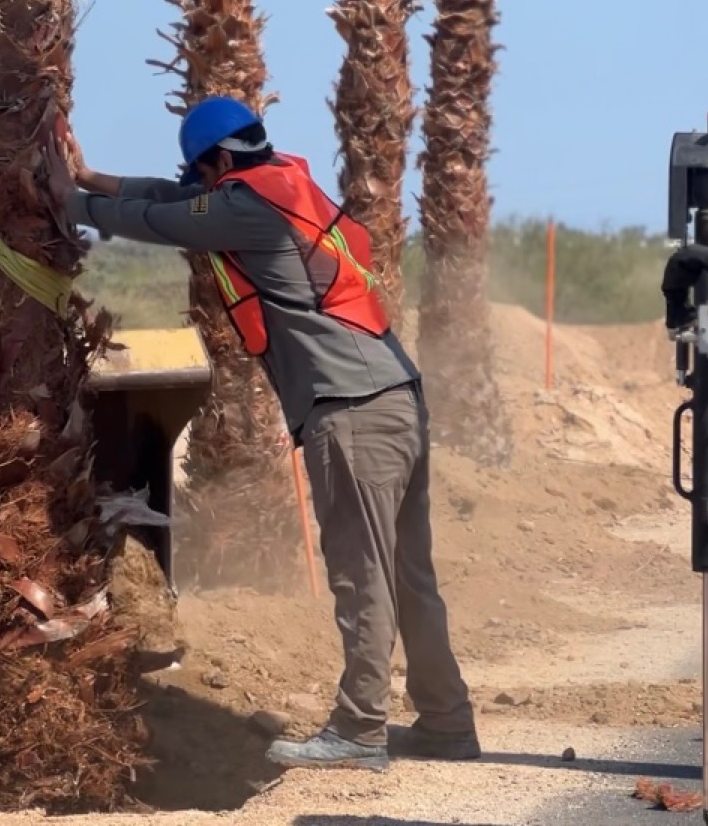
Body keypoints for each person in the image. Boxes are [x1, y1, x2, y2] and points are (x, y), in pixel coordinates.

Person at [45, 95, 479, 772]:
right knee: (406, 571)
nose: (199, 185)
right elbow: (174, 197)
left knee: (361, 574)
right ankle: (446, 721)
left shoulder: (241, 208)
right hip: (393, 394)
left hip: (351, 406)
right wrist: (96, 179)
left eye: (201, 173)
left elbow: (161, 217)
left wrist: (68, 202)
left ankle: (360, 729)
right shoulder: (280, 183)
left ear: (217, 161)